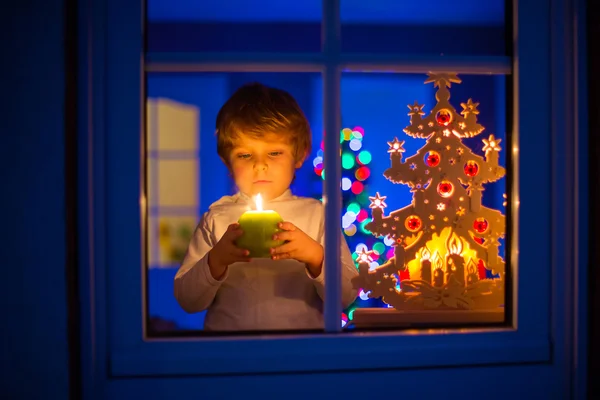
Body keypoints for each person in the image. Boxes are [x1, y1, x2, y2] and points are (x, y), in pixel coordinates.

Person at [173, 82, 358, 331]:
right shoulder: (217, 218)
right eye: (245, 155)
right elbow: (188, 300)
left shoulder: (316, 215)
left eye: (274, 153)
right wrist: (216, 260)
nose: (260, 166)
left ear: (300, 154)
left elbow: (347, 295)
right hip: (230, 355)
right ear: (227, 162)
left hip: (300, 352)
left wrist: (315, 257)